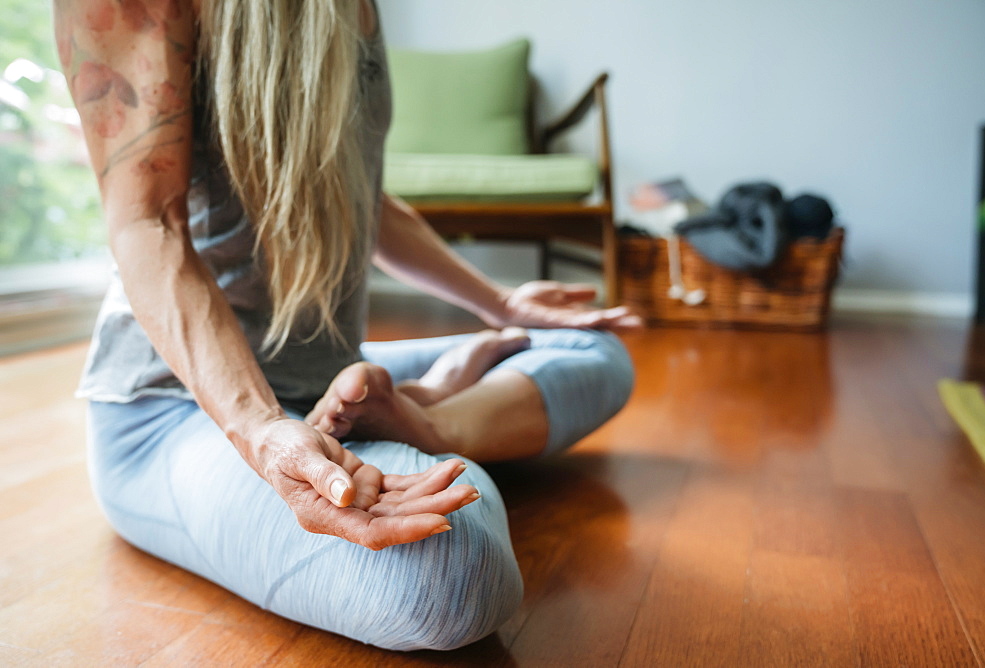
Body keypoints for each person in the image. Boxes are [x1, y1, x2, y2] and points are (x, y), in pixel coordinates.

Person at [57, 0, 639, 651]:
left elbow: (365, 198)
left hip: (329, 382)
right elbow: (146, 225)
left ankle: (429, 420)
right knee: (450, 577)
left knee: (591, 344)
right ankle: (436, 417)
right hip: (179, 412)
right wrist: (263, 430)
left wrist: (501, 304)